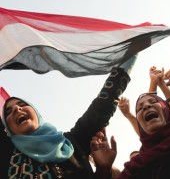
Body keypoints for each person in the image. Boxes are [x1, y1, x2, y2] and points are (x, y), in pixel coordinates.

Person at [0, 67, 130, 179]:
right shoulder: (5, 153)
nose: (17, 109)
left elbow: (102, 106)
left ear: (37, 114)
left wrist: (103, 171)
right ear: (7, 127)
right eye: (8, 112)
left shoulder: (72, 143)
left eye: (22, 104)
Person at [91, 67, 170, 179]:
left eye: (153, 102)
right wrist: (103, 171)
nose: (147, 106)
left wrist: (158, 82)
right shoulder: (135, 167)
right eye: (139, 108)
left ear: (169, 113)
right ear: (141, 127)